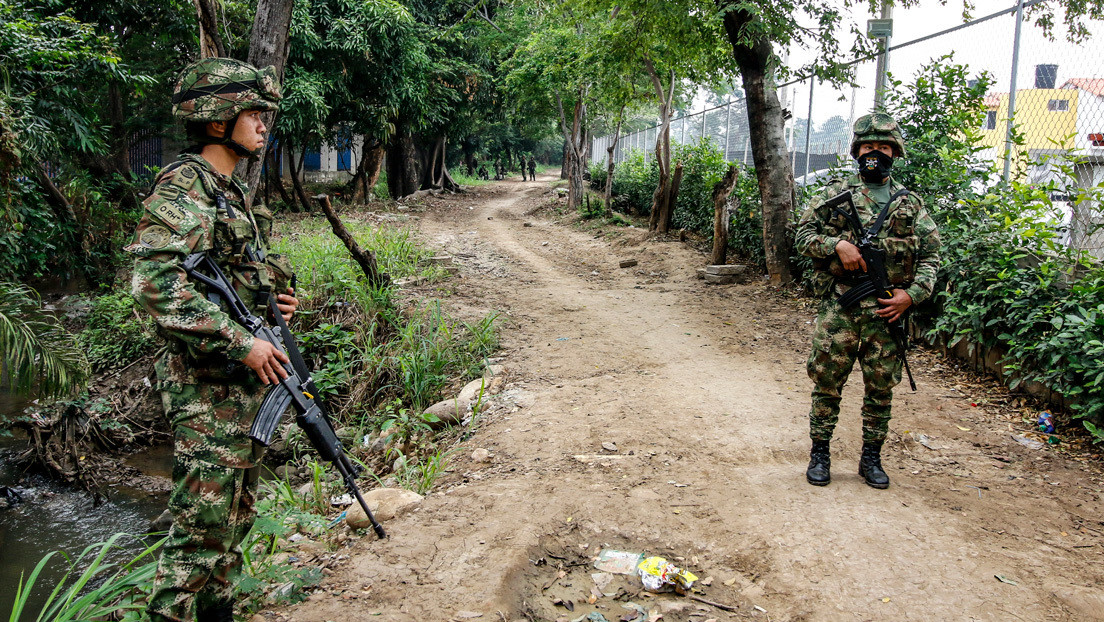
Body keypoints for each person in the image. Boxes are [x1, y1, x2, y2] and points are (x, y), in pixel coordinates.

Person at [125, 57, 297, 622]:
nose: (264, 126)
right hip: (204, 391)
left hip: (235, 385)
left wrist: (269, 303)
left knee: (234, 519)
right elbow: (153, 287)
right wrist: (241, 341)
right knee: (198, 533)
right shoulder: (184, 185)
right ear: (219, 118)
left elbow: (224, 278)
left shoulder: (224, 189)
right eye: (255, 114)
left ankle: (218, 613)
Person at [794, 113, 940, 489]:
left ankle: (871, 458)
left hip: (887, 312)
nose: (875, 153)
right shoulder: (834, 195)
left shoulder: (910, 204)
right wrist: (836, 245)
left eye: (883, 147)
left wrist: (911, 295)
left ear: (895, 152)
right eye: (868, 147)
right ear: (857, 152)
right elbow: (801, 235)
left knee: (880, 390)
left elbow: (931, 257)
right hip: (841, 307)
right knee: (827, 383)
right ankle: (820, 453)